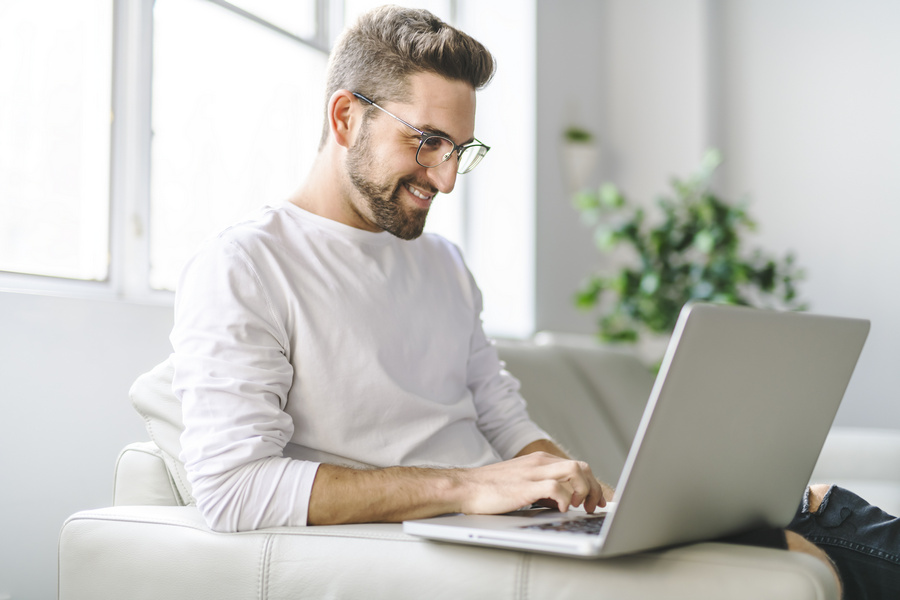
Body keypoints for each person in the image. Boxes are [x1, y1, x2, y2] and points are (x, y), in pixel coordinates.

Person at [170, 5, 898, 598]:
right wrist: (468, 485)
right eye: (427, 142)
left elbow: (503, 417)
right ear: (343, 119)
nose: (446, 178)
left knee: (822, 505)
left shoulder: (444, 264)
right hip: (445, 541)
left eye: (460, 149)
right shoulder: (246, 265)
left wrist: (608, 500)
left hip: (509, 523)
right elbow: (233, 488)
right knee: (810, 553)